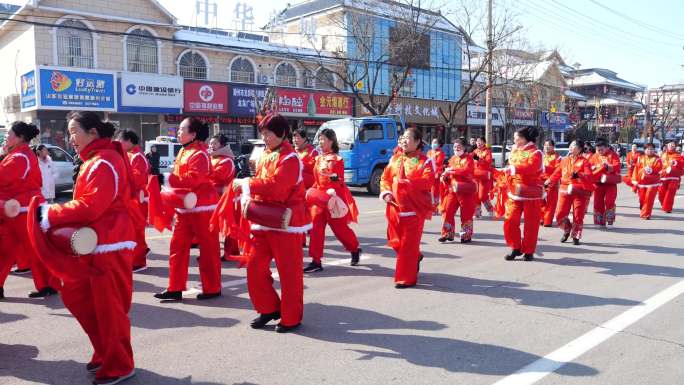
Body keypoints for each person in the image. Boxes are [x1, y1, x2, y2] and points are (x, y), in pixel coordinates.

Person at [36, 111, 137, 384]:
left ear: (93, 132)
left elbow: (92, 206)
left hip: (110, 245)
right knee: (83, 300)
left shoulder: (104, 162)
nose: (71, 139)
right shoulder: (95, 160)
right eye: (69, 132)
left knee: (109, 308)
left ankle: (120, 364)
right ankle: (105, 351)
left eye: (74, 131)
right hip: (97, 242)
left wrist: (52, 214)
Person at [233, 113, 310, 333]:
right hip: (264, 219)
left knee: (289, 273)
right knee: (255, 267)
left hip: (286, 222)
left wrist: (247, 183)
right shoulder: (266, 154)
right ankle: (269, 308)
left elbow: (277, 188)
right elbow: (264, 184)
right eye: (263, 133)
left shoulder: (290, 158)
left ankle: (291, 317)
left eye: (268, 133)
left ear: (282, 133)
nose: (264, 137)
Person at [154, 118, 222, 302]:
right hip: (186, 206)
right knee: (177, 247)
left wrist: (167, 179)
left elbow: (193, 179)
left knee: (208, 249)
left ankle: (212, 287)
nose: (178, 132)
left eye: (181, 129)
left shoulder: (199, 154)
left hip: (203, 207)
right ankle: (175, 288)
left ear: (193, 134)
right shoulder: (185, 151)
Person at [0, 122, 58, 299]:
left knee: (34, 249)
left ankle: (47, 285)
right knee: (5, 249)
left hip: (24, 210)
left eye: (8, 134)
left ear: (19, 138)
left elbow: (3, 177)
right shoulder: (17, 154)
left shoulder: (21, 156)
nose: (6, 137)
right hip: (14, 210)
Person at [380, 126, 435, 288]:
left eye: (408, 137)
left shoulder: (425, 161)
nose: (403, 140)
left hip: (414, 209)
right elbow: (385, 178)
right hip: (395, 208)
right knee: (395, 241)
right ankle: (415, 257)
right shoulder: (395, 159)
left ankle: (406, 278)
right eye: (402, 137)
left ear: (417, 142)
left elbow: (428, 181)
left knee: (408, 245)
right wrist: (386, 192)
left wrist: (407, 184)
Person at [304, 128, 361, 273]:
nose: (320, 142)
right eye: (320, 139)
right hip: (319, 199)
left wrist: (335, 178)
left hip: (333, 199)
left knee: (340, 230)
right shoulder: (318, 159)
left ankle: (354, 248)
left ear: (331, 141)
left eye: (323, 139)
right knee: (316, 230)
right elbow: (317, 181)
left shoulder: (337, 159)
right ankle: (316, 261)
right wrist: (311, 194)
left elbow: (340, 180)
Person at [502, 127, 543, 261]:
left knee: (531, 224)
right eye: (514, 138)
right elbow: (510, 166)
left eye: (517, 138)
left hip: (531, 192)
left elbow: (533, 167)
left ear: (525, 139)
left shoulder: (536, 152)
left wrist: (515, 168)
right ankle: (515, 247)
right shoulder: (514, 150)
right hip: (514, 191)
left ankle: (529, 250)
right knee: (510, 221)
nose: (514, 140)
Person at [115, 129, 150, 272]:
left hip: (138, 198)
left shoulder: (137, 157)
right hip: (131, 198)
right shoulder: (129, 155)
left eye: (120, 140)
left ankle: (139, 262)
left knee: (137, 230)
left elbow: (136, 179)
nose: (119, 143)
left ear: (129, 140)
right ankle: (137, 256)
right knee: (132, 230)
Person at [549, 140, 594, 245]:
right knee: (559, 214)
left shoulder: (585, 162)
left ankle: (576, 235)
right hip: (565, 190)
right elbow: (557, 173)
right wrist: (548, 182)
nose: (570, 146)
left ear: (579, 149)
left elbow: (589, 176)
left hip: (579, 191)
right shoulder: (564, 160)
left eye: (573, 145)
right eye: (570, 145)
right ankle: (567, 229)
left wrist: (579, 175)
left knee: (578, 215)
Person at [207, 134, 238, 259]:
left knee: (227, 225)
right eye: (210, 143)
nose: (211, 146)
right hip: (214, 197)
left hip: (224, 197)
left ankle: (229, 252)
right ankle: (228, 252)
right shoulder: (213, 158)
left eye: (214, 143)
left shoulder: (227, 160)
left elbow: (218, 176)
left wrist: (203, 170)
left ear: (222, 145)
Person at [439, 138, 476, 243]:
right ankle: (448, 233)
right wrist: (445, 176)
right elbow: (448, 172)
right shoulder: (452, 159)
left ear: (464, 147)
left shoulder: (469, 159)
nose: (456, 148)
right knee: (447, 211)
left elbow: (467, 171)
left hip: (465, 190)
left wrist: (452, 171)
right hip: (453, 190)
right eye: (455, 147)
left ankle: (466, 235)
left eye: (459, 146)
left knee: (466, 214)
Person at [590, 138, 621, 227]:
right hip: (598, 183)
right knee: (597, 202)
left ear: (606, 148)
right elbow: (589, 166)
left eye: (601, 149)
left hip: (610, 183)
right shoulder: (594, 156)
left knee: (609, 201)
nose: (600, 151)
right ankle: (599, 221)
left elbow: (617, 166)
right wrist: (594, 168)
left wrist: (608, 167)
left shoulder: (613, 155)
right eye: (598, 150)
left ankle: (610, 220)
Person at [632, 143, 663, 220]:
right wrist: (635, 180)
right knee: (642, 199)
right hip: (642, 183)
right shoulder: (640, 158)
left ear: (654, 150)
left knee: (649, 198)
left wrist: (651, 170)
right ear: (645, 150)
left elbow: (659, 168)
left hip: (653, 183)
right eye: (648, 149)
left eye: (651, 149)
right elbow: (636, 169)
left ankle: (646, 214)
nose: (650, 150)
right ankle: (643, 207)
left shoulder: (657, 159)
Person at [659, 140, 684, 213]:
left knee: (670, 193)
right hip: (663, 176)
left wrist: (676, 162)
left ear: (675, 146)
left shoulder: (678, 155)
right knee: (661, 194)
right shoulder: (662, 155)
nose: (671, 146)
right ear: (667, 145)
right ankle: (664, 205)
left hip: (674, 177)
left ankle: (667, 208)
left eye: (673, 145)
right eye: (670, 144)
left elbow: (682, 164)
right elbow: (657, 163)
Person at [540, 140, 561, 227]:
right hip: (540, 182)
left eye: (549, 145)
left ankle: (547, 221)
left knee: (551, 203)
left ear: (553, 146)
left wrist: (550, 179)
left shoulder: (557, 157)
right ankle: (542, 218)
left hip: (551, 182)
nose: (546, 147)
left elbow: (558, 170)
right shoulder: (541, 156)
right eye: (545, 145)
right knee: (539, 201)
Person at [472, 136, 494, 217]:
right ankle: (477, 212)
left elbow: (488, 163)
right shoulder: (474, 151)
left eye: (480, 141)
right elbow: (468, 159)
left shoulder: (487, 151)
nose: (478, 143)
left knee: (482, 195)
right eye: (477, 141)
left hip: (484, 176)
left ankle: (490, 208)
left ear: (484, 143)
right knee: (475, 195)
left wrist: (479, 159)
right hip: (474, 176)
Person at [426, 138, 446, 213]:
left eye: (435, 142)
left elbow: (438, 162)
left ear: (439, 144)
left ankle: (435, 208)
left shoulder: (440, 153)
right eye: (432, 142)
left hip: (437, 173)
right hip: (429, 173)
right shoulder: (429, 152)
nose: (433, 144)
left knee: (435, 191)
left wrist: (432, 161)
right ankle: (431, 206)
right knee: (429, 190)